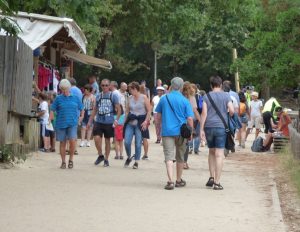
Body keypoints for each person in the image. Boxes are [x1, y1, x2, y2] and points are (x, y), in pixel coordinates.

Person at [156, 77, 194, 190]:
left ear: (171, 86)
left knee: (168, 156)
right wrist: (190, 132)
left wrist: (159, 128)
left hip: (167, 131)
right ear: (182, 87)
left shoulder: (164, 98)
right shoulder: (185, 100)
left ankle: (170, 181)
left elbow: (158, 116)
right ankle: (178, 180)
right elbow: (190, 119)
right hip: (181, 132)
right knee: (180, 156)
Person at [200, 76, 234, 190]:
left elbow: (204, 113)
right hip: (221, 127)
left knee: (211, 152)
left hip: (209, 126)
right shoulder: (226, 95)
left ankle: (211, 177)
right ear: (220, 85)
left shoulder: (206, 96)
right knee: (219, 154)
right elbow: (232, 110)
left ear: (211, 85)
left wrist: (201, 129)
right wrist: (228, 113)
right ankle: (217, 182)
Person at [50, 79, 84, 169]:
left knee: (72, 140)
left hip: (72, 123)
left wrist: (81, 116)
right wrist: (51, 117)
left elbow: (82, 108)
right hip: (61, 123)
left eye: (65, 89)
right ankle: (63, 162)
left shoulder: (75, 98)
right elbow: (52, 108)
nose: (64, 91)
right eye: (62, 89)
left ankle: (71, 159)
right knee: (62, 142)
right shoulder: (58, 98)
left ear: (69, 88)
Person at [87, 79, 121, 167]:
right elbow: (95, 109)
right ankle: (100, 155)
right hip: (99, 120)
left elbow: (119, 109)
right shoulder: (98, 96)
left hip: (109, 121)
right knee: (96, 138)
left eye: (106, 85)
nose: (105, 87)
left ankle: (106, 159)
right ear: (100, 86)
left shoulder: (113, 96)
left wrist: (116, 120)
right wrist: (90, 121)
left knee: (107, 141)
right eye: (103, 85)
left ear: (109, 86)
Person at [123, 82, 151, 168]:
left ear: (135, 89)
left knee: (138, 143)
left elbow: (149, 110)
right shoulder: (130, 98)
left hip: (140, 122)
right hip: (131, 122)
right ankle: (129, 157)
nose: (130, 91)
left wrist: (146, 121)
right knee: (127, 142)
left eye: (131, 90)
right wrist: (124, 121)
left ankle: (136, 161)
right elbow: (127, 110)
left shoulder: (144, 97)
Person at [182, 82, 201, 169]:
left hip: (178, 121)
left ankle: (178, 159)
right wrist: (201, 121)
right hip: (188, 123)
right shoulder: (191, 98)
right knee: (186, 143)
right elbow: (195, 111)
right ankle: (184, 162)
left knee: (179, 143)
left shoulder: (179, 97)